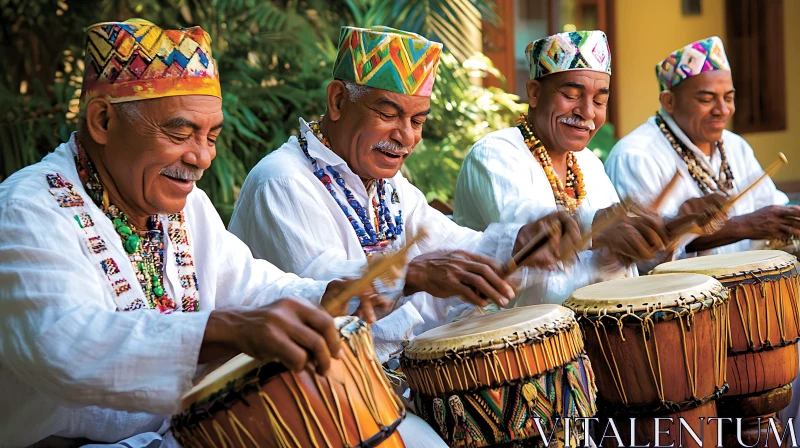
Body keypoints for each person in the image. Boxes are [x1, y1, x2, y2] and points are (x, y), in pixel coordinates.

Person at [0, 19, 383, 447]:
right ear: (104, 120)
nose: (201, 158)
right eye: (180, 133)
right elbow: (65, 346)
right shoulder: (26, 209)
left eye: (211, 136)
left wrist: (329, 295)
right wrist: (225, 330)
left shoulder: (187, 205)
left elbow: (252, 286)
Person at [229, 26, 580, 368]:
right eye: (388, 114)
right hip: (315, 400)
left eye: (417, 120)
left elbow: (454, 247)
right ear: (337, 101)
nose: (406, 136)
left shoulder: (391, 188)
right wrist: (410, 275)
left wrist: (522, 242)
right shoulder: (281, 181)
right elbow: (321, 285)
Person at [454, 30, 679, 305]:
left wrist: (642, 245)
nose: (587, 112)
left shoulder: (589, 164)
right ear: (535, 93)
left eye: (599, 101)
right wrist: (598, 228)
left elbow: (605, 271)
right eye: (572, 95)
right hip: (507, 341)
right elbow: (531, 234)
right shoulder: (494, 154)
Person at [605, 36, 796, 258]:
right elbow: (648, 254)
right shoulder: (636, 156)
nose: (723, 110)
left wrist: (788, 221)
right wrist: (744, 226)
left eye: (729, 98)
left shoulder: (735, 146)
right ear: (669, 102)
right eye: (707, 99)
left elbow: (770, 207)